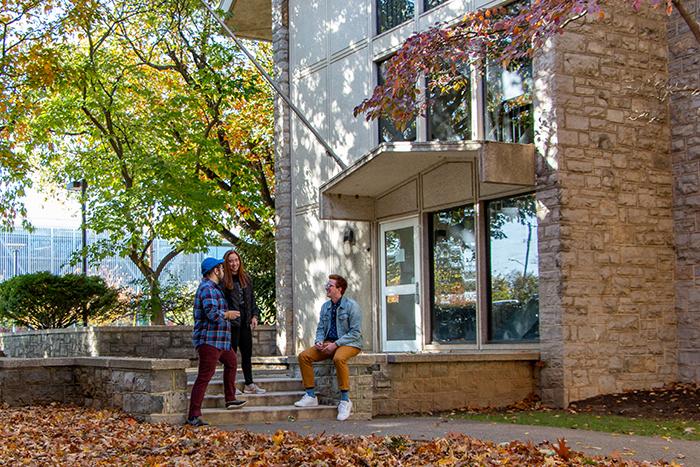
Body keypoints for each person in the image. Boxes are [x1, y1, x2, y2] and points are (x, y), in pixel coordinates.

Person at [186, 257, 247, 427]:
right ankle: (193, 416)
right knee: (204, 376)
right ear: (215, 271)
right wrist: (228, 314)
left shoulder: (214, 288)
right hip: (209, 341)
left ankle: (230, 399)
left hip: (221, 342)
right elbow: (212, 314)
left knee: (232, 363)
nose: (223, 271)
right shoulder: (207, 288)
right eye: (221, 268)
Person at [294, 274, 362, 421]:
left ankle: (345, 401)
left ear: (340, 289)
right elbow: (320, 328)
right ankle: (311, 396)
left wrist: (336, 344)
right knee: (304, 356)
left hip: (349, 344)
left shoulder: (352, 306)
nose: (326, 287)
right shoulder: (326, 307)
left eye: (330, 285)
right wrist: (319, 341)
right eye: (327, 285)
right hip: (329, 342)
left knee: (338, 358)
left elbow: (355, 332)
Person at [222, 249, 267, 395]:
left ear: (240, 261)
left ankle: (250, 384)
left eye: (236, 260)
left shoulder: (246, 278)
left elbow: (252, 300)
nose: (234, 263)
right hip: (231, 324)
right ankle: (230, 387)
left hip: (245, 322)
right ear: (226, 263)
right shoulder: (224, 281)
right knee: (231, 356)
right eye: (231, 261)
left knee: (247, 354)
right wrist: (228, 316)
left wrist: (254, 316)